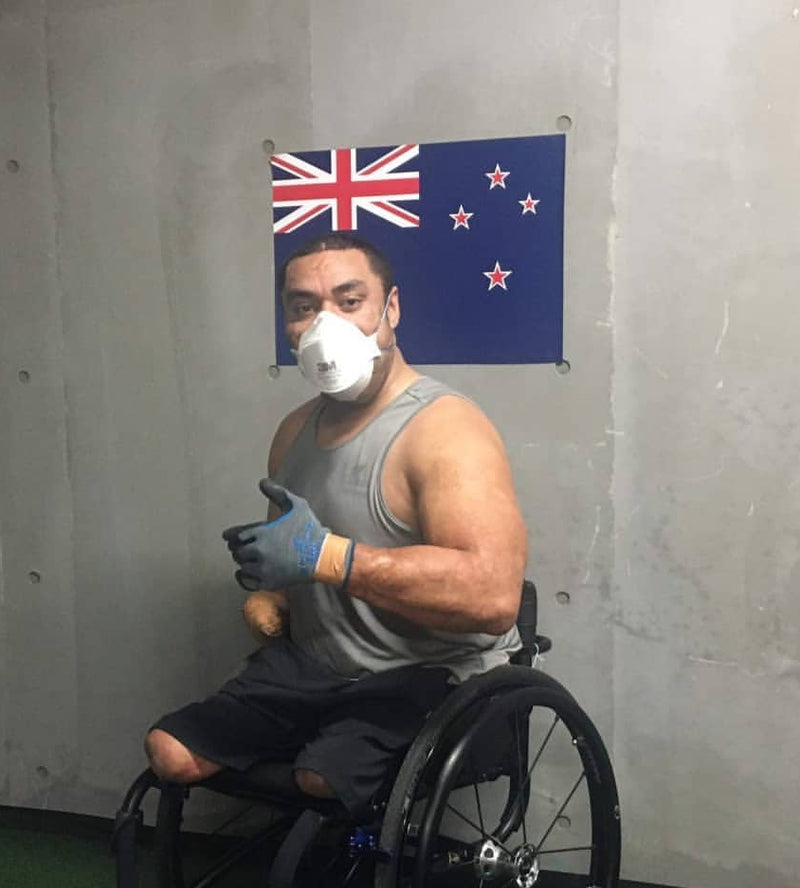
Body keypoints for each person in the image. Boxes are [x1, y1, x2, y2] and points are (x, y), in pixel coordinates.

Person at [145, 232, 527, 816]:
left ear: (390, 309)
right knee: (172, 752)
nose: (326, 325)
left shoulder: (445, 430)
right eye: (304, 307)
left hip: (425, 675)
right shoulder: (293, 431)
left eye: (350, 302)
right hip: (316, 667)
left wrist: (332, 559)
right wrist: (270, 597)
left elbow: (493, 594)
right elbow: (291, 555)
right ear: (288, 324)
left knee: (320, 778)